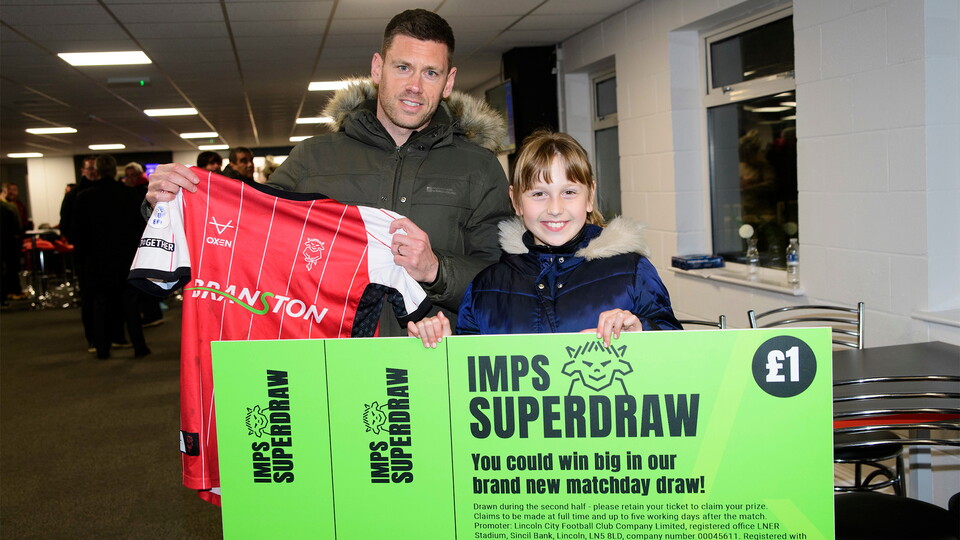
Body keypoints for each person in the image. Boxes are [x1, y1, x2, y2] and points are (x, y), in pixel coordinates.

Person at [145, 8, 512, 336]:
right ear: (377, 68)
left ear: (448, 82)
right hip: (329, 363)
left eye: (431, 72)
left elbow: (507, 283)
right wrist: (171, 203)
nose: (415, 86)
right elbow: (245, 233)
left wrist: (436, 269)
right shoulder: (312, 159)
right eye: (403, 67)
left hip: (435, 362)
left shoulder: (478, 167)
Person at [409, 130, 681, 349]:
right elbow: (471, 379)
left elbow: (679, 353)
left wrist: (642, 332)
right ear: (516, 200)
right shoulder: (486, 286)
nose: (555, 208)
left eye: (569, 192)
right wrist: (445, 351)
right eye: (539, 194)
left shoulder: (631, 271)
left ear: (590, 196)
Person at [72, 155, 149, 359]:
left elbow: (78, 234)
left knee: (100, 305)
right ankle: (139, 346)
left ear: (97, 171)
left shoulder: (84, 198)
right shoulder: (130, 195)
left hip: (97, 261)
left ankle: (102, 349)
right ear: (116, 171)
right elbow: (142, 229)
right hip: (126, 259)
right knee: (131, 305)